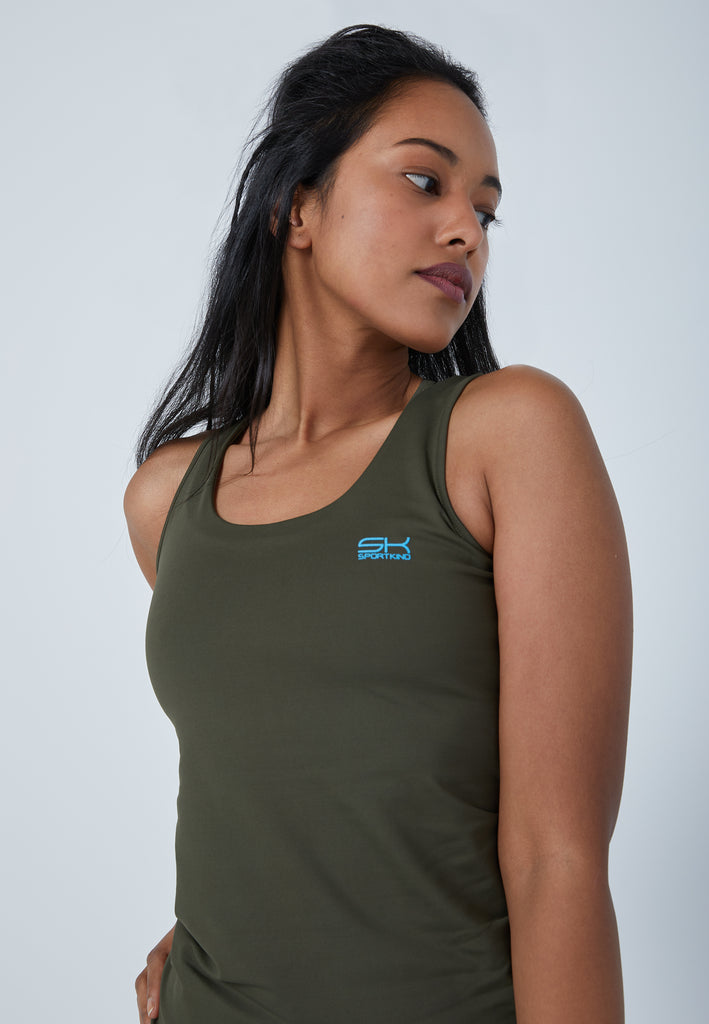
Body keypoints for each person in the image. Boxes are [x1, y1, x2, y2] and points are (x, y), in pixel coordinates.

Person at [124, 23, 632, 1024]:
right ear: (297, 206)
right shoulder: (167, 497)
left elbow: (557, 860)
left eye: (484, 210)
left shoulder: (507, 434)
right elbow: (276, 777)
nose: (467, 232)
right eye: (424, 182)